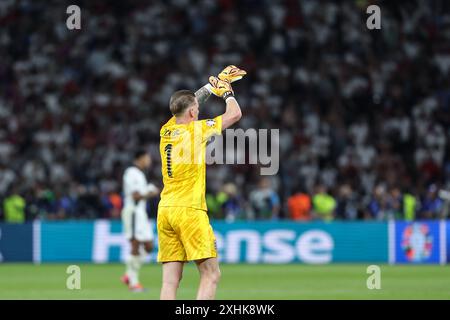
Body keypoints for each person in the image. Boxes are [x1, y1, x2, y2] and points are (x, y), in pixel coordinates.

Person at [157, 65, 246, 300]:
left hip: (165, 209)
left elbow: (187, 102)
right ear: (194, 114)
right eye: (197, 109)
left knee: (169, 281)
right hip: (189, 211)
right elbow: (235, 115)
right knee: (210, 274)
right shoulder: (196, 131)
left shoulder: (166, 130)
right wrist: (226, 92)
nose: (198, 109)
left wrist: (212, 83)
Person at [120, 149, 160, 292]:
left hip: (141, 213)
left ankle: (128, 275)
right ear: (141, 158)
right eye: (147, 158)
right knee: (135, 245)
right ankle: (133, 283)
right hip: (133, 212)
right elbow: (136, 196)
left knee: (149, 245)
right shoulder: (131, 173)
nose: (149, 161)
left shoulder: (140, 174)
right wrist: (150, 192)